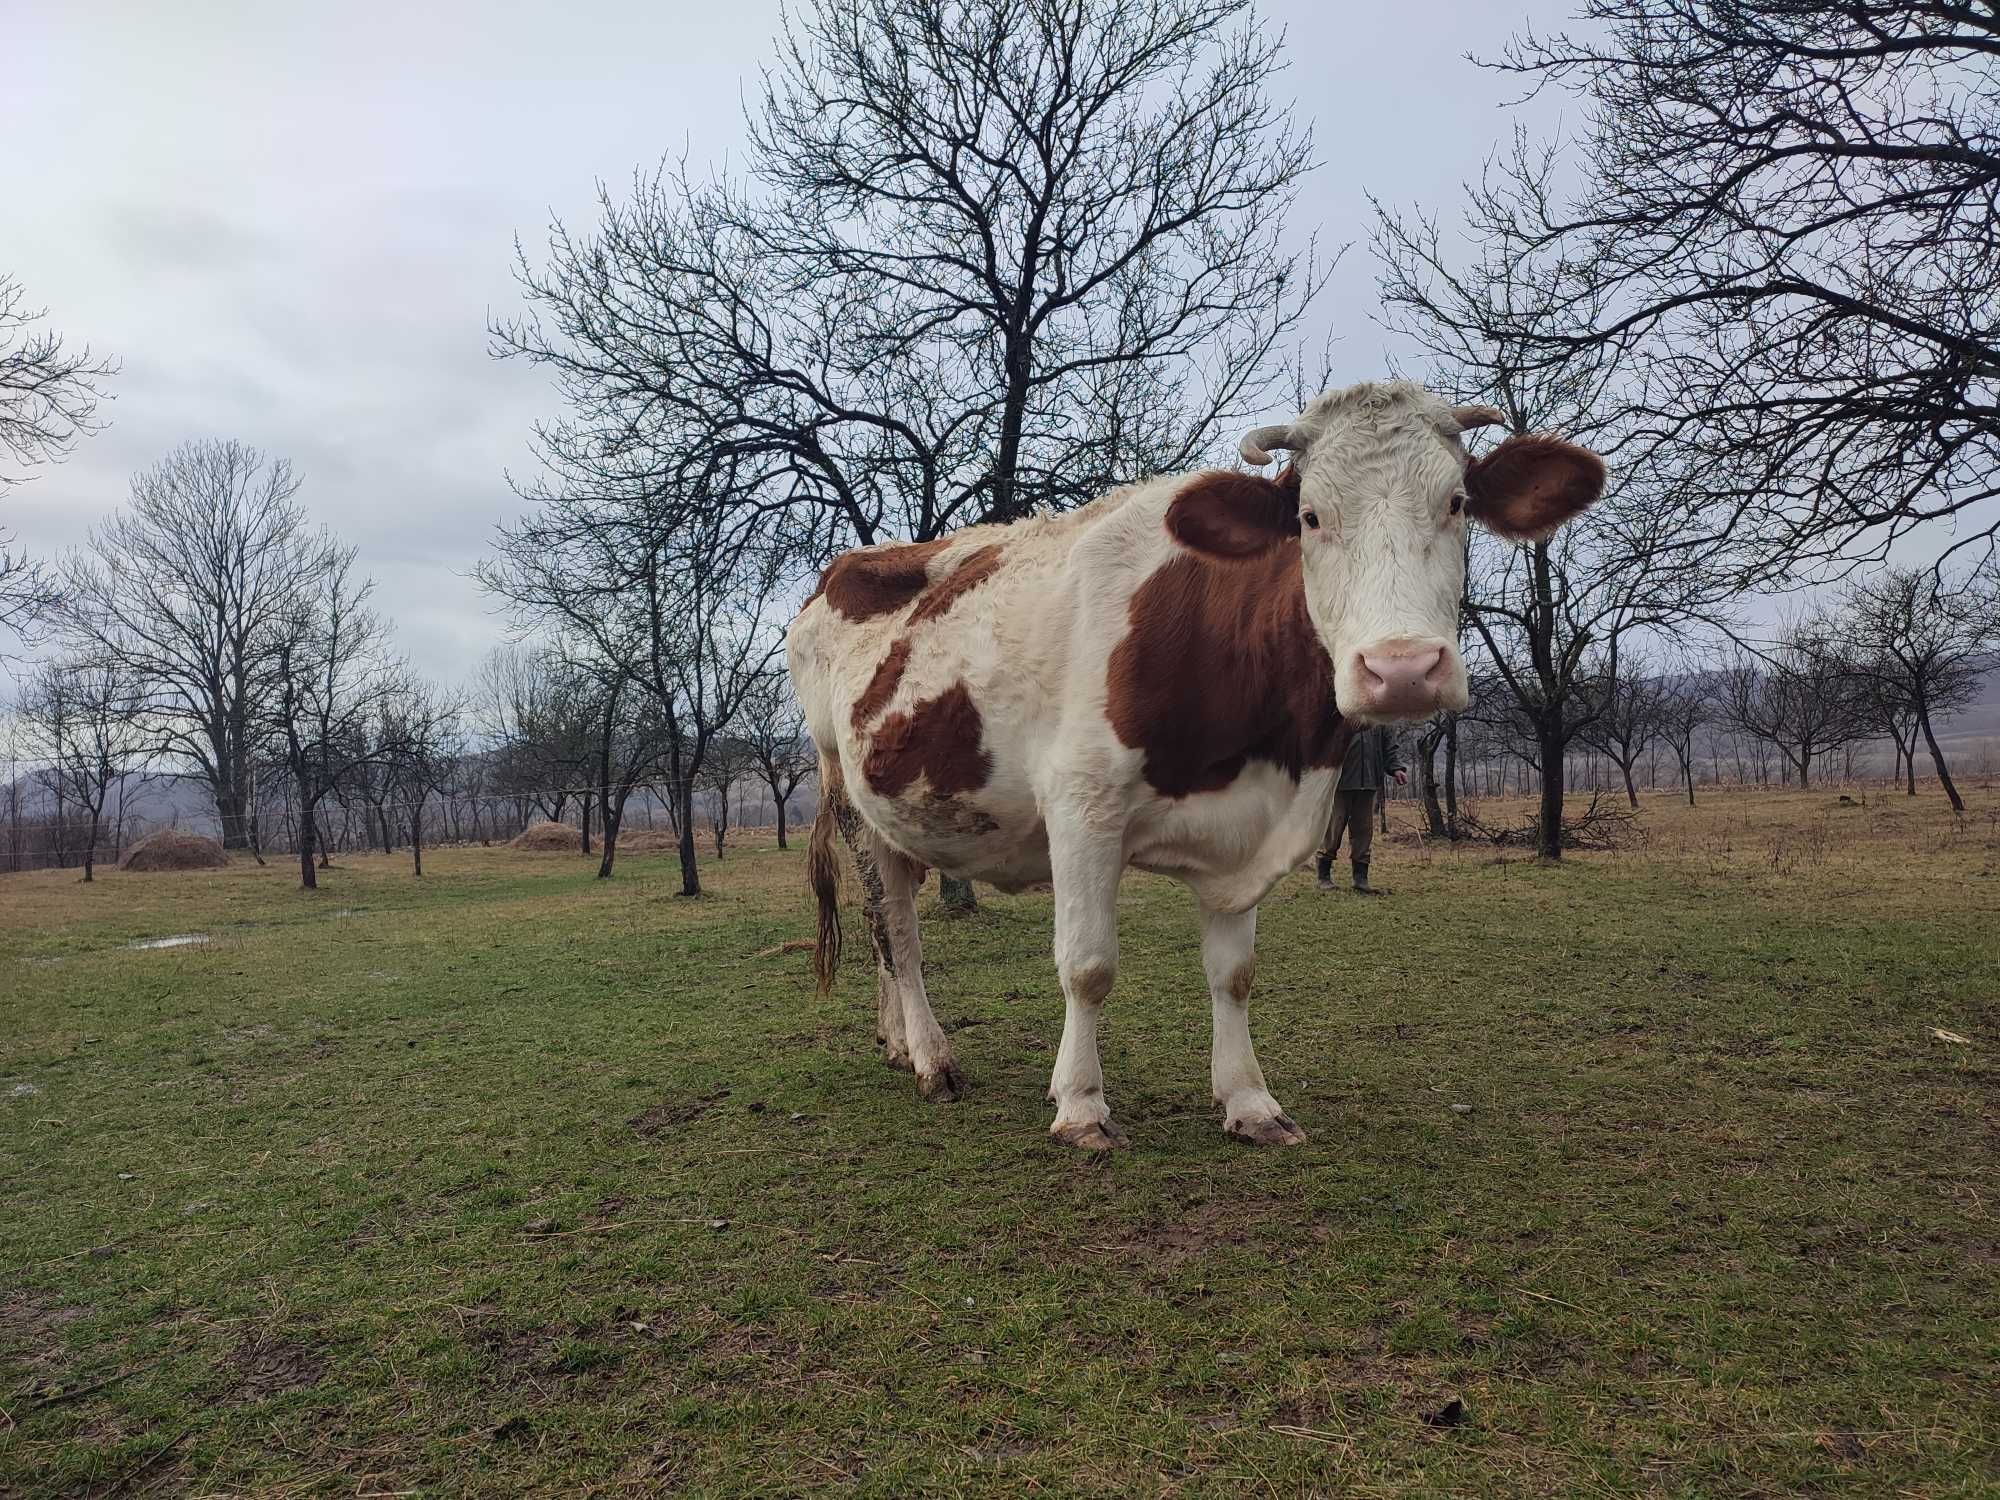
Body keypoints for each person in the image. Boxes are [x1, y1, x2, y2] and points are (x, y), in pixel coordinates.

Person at [1315, 726, 1406, 895]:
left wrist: (1396, 768)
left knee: (1364, 832)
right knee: (1333, 830)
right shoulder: (1342, 707)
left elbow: (1389, 744)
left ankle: (1360, 879)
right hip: (1339, 782)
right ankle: (1323, 877)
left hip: (1369, 781)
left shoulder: (1379, 715)